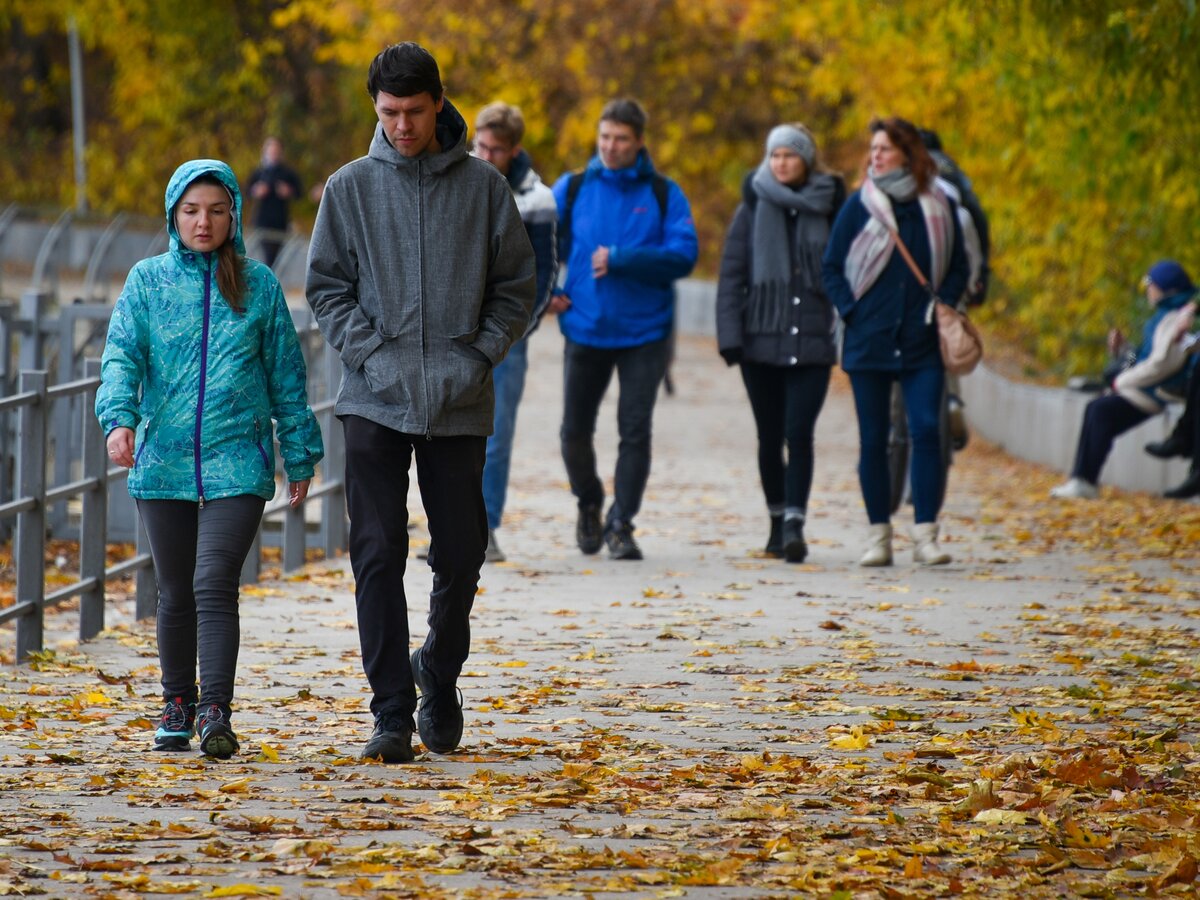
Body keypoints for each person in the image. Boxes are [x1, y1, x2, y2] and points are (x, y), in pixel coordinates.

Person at [306, 43, 535, 764]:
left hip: (460, 398)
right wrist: (370, 355)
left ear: (439, 102)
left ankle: (438, 670)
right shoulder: (348, 189)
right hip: (373, 396)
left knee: (462, 551)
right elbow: (326, 288)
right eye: (387, 113)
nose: (401, 126)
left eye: (412, 111)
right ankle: (390, 713)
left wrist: (477, 356)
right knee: (377, 550)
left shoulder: (485, 189)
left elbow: (516, 288)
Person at [96, 159, 324, 759]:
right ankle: (177, 701)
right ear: (174, 215)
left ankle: (215, 711)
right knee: (174, 589)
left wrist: (299, 453)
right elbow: (120, 355)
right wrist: (118, 419)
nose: (204, 222)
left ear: (234, 216)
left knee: (213, 580)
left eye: (217, 211)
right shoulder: (148, 281)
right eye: (192, 211)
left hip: (238, 461)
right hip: (163, 461)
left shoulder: (259, 285)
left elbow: (286, 377)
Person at [551, 97, 698, 561]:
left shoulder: (662, 193)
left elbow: (684, 254)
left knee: (634, 431)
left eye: (621, 139)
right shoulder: (572, 188)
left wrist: (621, 259)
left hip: (644, 334)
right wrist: (546, 293)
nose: (611, 147)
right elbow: (533, 245)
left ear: (639, 143)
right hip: (585, 328)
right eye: (605, 137)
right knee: (574, 432)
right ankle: (590, 501)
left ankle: (622, 525)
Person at [821, 116, 968, 567]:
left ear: (908, 152)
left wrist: (941, 302)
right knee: (874, 439)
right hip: (870, 340)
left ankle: (926, 535)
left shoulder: (938, 204)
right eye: (874, 150)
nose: (875, 157)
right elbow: (831, 266)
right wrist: (853, 312)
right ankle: (878, 537)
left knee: (926, 431)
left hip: (922, 339)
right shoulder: (860, 204)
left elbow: (960, 265)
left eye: (884, 149)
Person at [716, 123, 845, 562]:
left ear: (807, 159)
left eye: (790, 155)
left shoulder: (829, 206)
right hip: (761, 344)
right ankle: (775, 519)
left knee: (799, 434)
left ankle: (795, 523)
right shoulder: (751, 208)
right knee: (770, 437)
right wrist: (731, 338)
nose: (781, 163)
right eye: (775, 156)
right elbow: (732, 277)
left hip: (812, 342)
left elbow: (846, 271)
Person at [472, 101, 558, 563]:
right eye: (479, 145)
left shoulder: (536, 200)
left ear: (514, 151)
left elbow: (543, 272)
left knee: (497, 433)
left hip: (509, 334)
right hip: (457, 327)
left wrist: (520, 327)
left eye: (495, 149)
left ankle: (486, 527)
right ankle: (451, 524)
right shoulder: (458, 181)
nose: (485, 155)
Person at [1052, 261, 1196, 499]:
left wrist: (1123, 381)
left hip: (1152, 393)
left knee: (1099, 411)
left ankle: (1084, 480)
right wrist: (1123, 349)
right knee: (1097, 410)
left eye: (1150, 285)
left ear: (1164, 288)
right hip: (1146, 389)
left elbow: (1162, 364)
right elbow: (1146, 357)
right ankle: (1082, 479)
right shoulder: (1165, 316)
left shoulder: (1175, 317)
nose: (1148, 290)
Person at [246, 137, 302, 268]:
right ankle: (268, 279)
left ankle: (270, 279)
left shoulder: (288, 173)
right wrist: (256, 191)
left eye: (276, 151)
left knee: (276, 257)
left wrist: (288, 191)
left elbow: (300, 193)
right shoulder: (259, 172)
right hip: (262, 220)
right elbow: (247, 191)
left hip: (280, 221)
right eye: (271, 151)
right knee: (266, 255)